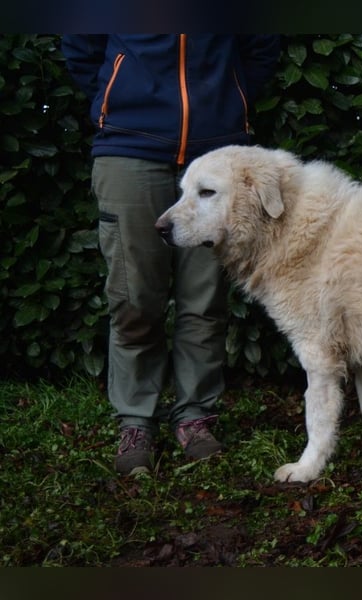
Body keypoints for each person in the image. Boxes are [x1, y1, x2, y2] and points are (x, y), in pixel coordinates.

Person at [61, 34, 281, 475]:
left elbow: (259, 46)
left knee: (204, 300)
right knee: (134, 295)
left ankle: (195, 416)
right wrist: (120, 101)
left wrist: (223, 103)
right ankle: (136, 421)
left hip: (216, 152)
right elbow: (81, 45)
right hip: (129, 151)